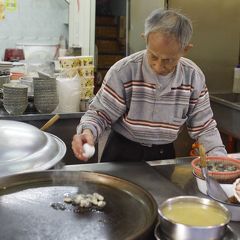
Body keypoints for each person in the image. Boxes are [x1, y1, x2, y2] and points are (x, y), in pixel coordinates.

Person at [72, 8, 227, 163]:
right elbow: (100, 115)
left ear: (185, 50)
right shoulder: (124, 71)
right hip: (122, 151)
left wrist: (218, 157)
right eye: (153, 56)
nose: (159, 66)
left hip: (163, 155)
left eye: (169, 60)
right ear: (145, 39)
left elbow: (205, 128)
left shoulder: (193, 77)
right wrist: (88, 132)